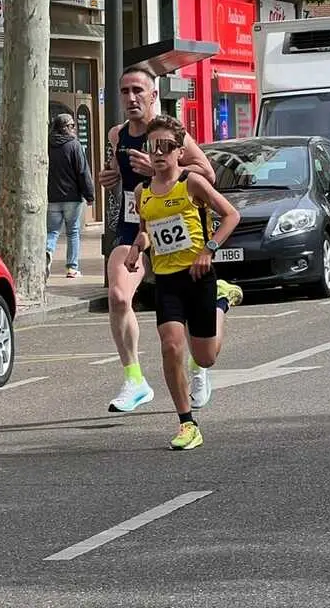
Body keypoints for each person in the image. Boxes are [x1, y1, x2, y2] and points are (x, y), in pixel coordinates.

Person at [97, 66, 220, 413]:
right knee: (119, 295)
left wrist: (161, 171)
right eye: (124, 91)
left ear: (153, 95)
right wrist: (111, 175)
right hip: (134, 227)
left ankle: (198, 368)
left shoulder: (168, 134)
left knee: (193, 329)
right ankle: (134, 379)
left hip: (176, 233)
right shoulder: (117, 135)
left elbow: (207, 173)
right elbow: (119, 173)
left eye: (138, 90)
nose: (131, 97)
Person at [124, 115, 243, 450]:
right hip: (167, 281)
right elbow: (146, 232)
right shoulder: (142, 192)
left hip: (199, 276)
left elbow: (232, 215)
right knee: (171, 345)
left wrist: (209, 249)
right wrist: (136, 249)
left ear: (180, 153)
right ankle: (187, 423)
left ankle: (222, 301)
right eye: (153, 147)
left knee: (205, 358)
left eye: (167, 147)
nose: (159, 153)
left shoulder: (192, 183)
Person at [46, 113, 94, 279]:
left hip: (52, 197)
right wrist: (89, 195)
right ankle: (72, 268)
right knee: (73, 232)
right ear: (66, 127)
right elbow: (82, 171)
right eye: (72, 125)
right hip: (72, 197)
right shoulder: (74, 145)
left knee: (52, 231)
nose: (74, 128)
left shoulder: (47, 145)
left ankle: (47, 251)